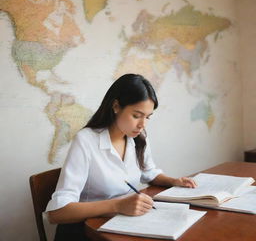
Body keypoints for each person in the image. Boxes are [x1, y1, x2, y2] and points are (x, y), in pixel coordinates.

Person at [46, 74, 197, 240]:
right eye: (136, 115)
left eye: (147, 117)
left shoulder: (139, 138)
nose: (142, 124)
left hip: (119, 226)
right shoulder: (86, 140)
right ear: (116, 106)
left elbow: (149, 172)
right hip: (86, 231)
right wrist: (118, 205)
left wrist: (173, 181)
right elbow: (57, 213)